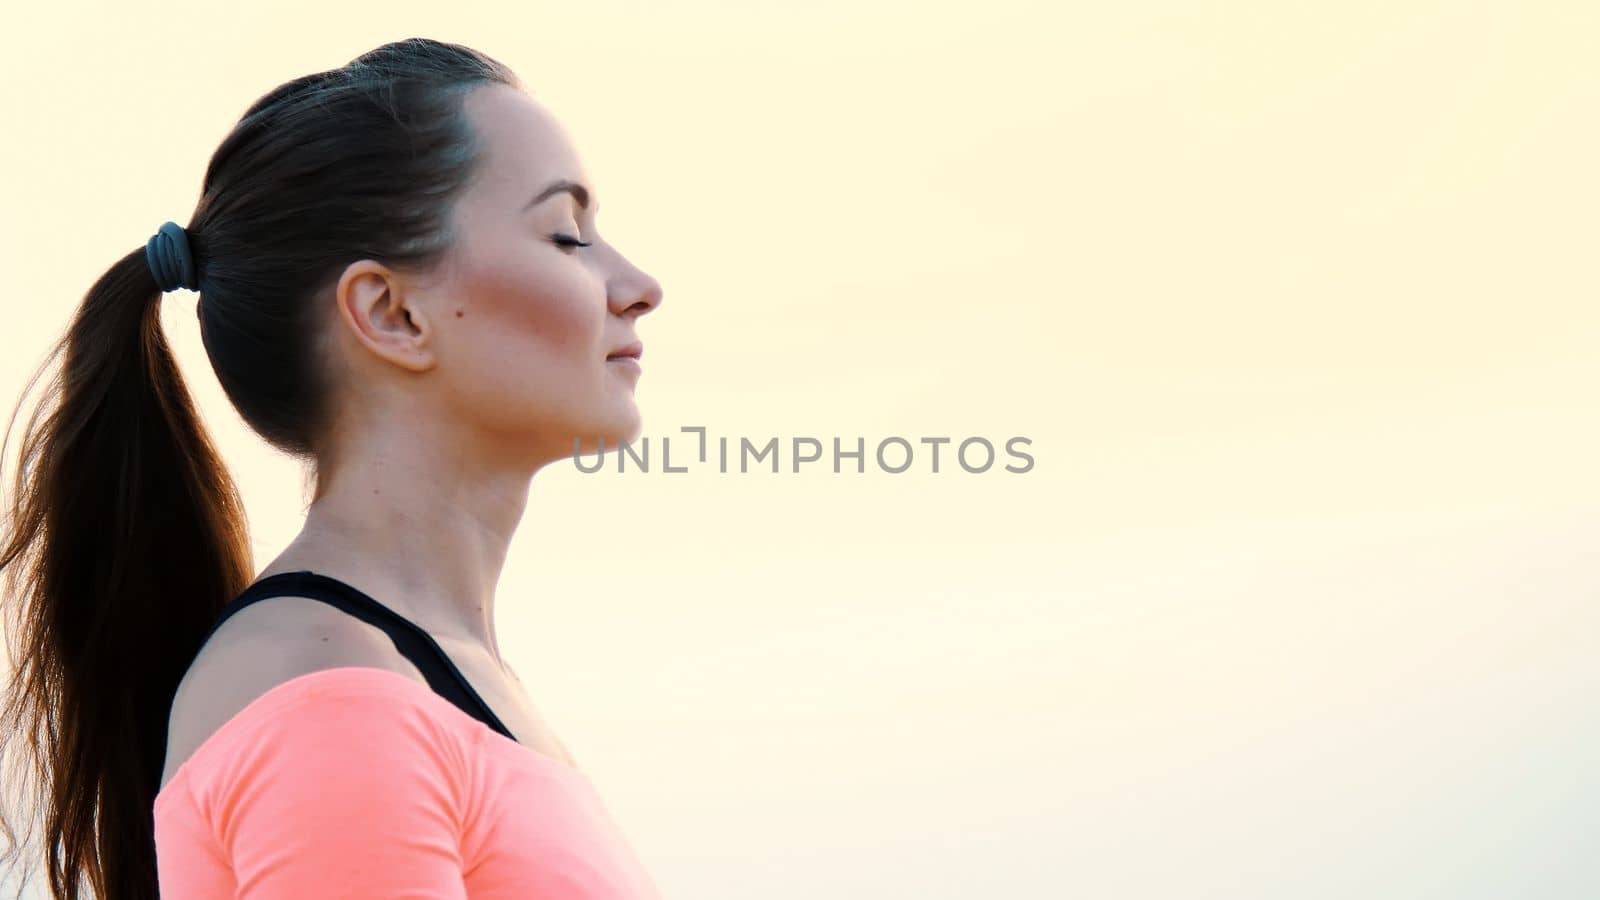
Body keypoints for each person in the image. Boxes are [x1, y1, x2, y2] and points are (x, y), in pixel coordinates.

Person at [0, 37, 665, 899]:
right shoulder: (336, 703)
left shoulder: (412, 683)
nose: (639, 285)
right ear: (390, 313)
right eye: (567, 235)